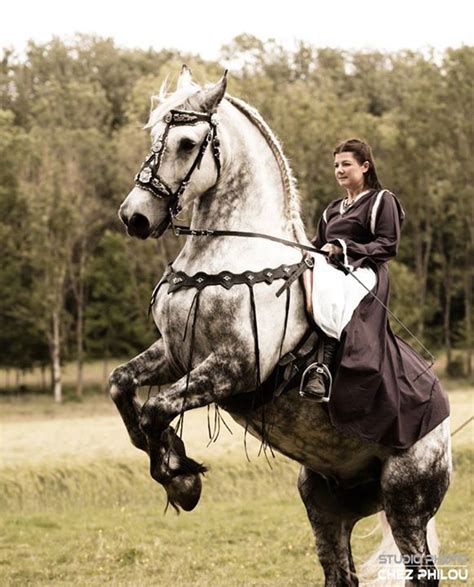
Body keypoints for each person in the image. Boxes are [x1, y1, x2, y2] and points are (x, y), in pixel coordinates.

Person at [299, 138, 449, 448]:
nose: (339, 170)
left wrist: (343, 248)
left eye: (346, 165)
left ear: (365, 166)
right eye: (336, 166)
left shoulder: (382, 200)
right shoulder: (332, 208)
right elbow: (317, 243)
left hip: (365, 272)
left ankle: (322, 368)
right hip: (334, 270)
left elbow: (387, 246)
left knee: (328, 290)